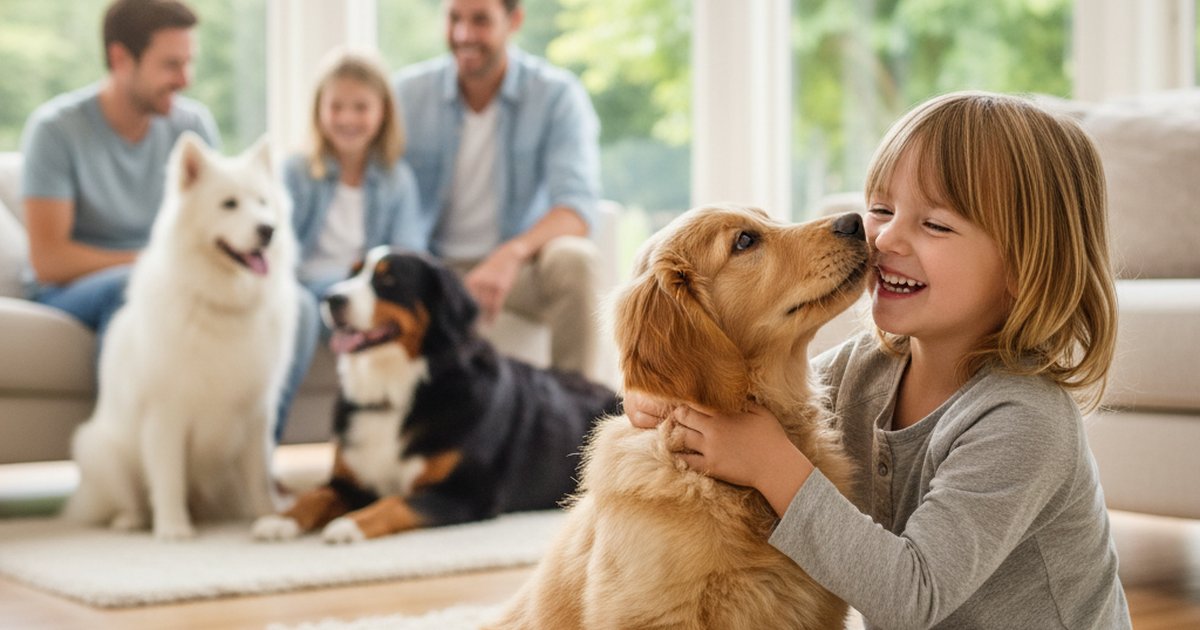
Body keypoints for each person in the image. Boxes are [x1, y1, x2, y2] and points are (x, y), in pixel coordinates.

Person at [626, 92, 1132, 628]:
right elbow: (743, 401)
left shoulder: (1025, 421)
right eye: (882, 210)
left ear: (1025, 269)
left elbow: (910, 598)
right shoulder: (865, 370)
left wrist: (774, 464)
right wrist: (660, 389)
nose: (886, 237)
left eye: (935, 224)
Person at [20, 0, 316, 438]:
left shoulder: (192, 124)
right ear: (121, 59)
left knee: (301, 306)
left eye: (189, 62)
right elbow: (50, 261)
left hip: (174, 273)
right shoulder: (56, 130)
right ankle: (132, 455)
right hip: (77, 289)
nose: (186, 79)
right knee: (133, 289)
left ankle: (254, 465)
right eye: (171, 64)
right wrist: (154, 262)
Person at [392, 0, 604, 380]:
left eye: (480, 21)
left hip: (517, 270)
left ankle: (578, 419)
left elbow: (576, 207)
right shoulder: (407, 95)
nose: (463, 35)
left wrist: (511, 254)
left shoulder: (556, 96)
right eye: (454, 19)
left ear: (514, 21)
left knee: (575, 258)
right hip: (434, 265)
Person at [286, 48, 421, 304]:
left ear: (383, 112)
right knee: (300, 307)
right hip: (302, 288)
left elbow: (408, 255)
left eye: (361, 107)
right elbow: (277, 247)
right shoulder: (296, 171)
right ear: (319, 110)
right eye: (336, 107)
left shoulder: (397, 180)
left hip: (362, 291)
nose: (347, 118)